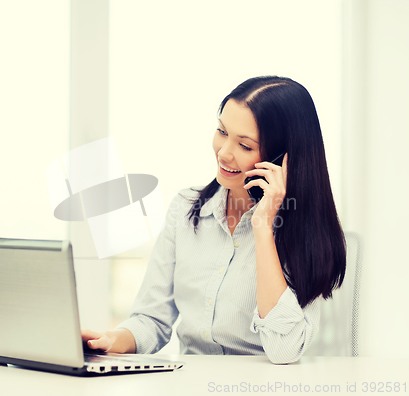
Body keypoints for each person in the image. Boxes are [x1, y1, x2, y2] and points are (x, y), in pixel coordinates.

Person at [81, 76, 346, 364]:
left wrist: (262, 228)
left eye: (245, 146)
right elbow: (151, 320)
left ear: (283, 158)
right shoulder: (185, 209)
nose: (224, 152)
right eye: (222, 131)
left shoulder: (303, 234)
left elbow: (284, 351)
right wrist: (110, 341)